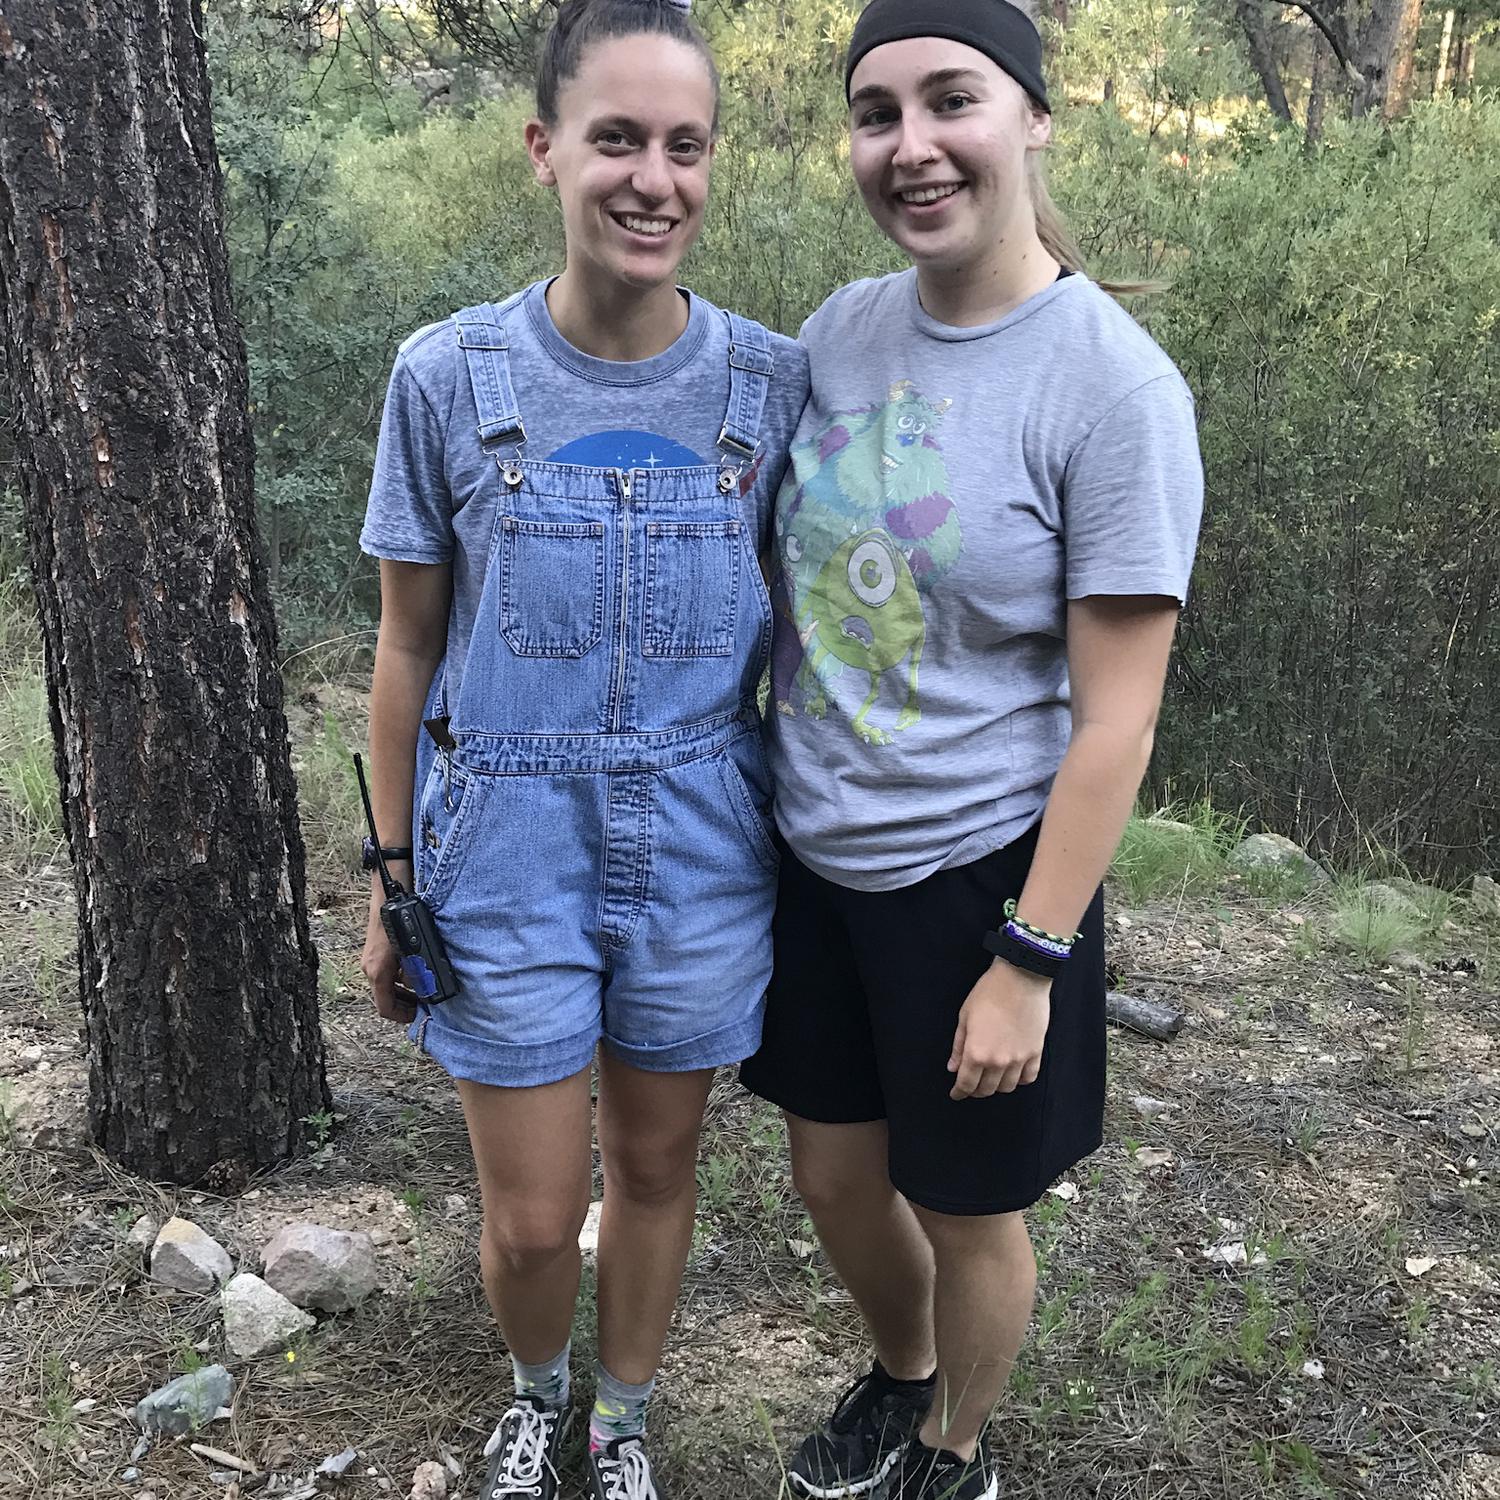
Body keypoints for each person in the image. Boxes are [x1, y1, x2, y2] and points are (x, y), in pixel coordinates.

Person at [740, 2, 1204, 1496]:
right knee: (832, 1175)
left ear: (1034, 119)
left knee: (964, 1209)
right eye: (877, 113)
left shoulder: (1112, 389)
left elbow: (1119, 718)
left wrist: (1030, 960)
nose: (912, 146)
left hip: (979, 872)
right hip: (815, 851)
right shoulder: (841, 330)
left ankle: (956, 1449)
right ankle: (904, 1375)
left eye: (953, 101)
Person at [356, 2, 808, 1496]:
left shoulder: (770, 386)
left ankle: (621, 1422)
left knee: (662, 1167)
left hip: (702, 836)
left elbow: (824, 631)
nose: (652, 180)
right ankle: (536, 1392)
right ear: (545, 148)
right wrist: (392, 876)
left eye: (685, 145)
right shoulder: (445, 377)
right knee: (538, 1217)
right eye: (616, 139)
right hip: (504, 847)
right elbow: (407, 649)